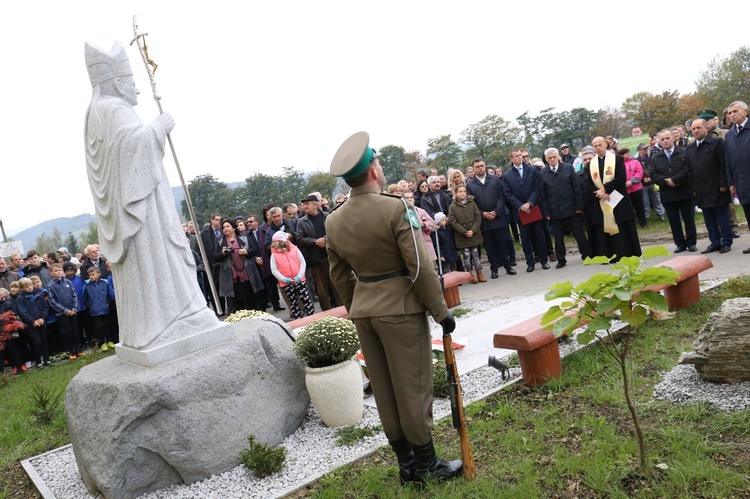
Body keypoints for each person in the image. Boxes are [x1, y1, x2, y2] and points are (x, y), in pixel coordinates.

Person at [326, 131, 462, 485]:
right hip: (400, 308)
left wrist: (358, 304)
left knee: (385, 389)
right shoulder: (395, 207)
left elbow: (339, 277)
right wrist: (439, 310)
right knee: (413, 386)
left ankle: (406, 464)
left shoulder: (334, 220)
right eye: (379, 161)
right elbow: (418, 265)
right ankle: (427, 465)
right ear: (373, 169)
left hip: (364, 310)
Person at [84, 41, 221, 352]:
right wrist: (160, 126)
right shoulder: (115, 109)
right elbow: (132, 148)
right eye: (132, 82)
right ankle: (175, 318)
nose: (137, 90)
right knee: (158, 260)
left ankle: (156, 324)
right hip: (144, 215)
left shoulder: (95, 111)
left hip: (133, 208)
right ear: (117, 82)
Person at [583, 137, 641, 260]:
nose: (598, 148)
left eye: (600, 145)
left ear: (606, 144)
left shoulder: (617, 160)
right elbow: (588, 182)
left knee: (621, 226)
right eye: (595, 146)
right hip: (601, 199)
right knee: (603, 227)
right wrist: (600, 193)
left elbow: (621, 178)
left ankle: (625, 253)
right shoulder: (591, 164)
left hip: (617, 198)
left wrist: (605, 189)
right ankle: (609, 255)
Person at [685, 119, 732, 253]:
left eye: (699, 128)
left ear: (706, 128)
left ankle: (727, 241)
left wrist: (724, 183)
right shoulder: (690, 147)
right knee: (709, 219)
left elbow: (723, 164)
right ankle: (715, 242)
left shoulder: (716, 143)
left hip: (717, 187)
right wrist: (693, 188)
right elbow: (689, 170)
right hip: (701, 190)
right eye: (693, 129)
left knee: (722, 217)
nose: (696, 131)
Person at [539, 148, 590, 268]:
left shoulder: (568, 168)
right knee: (558, 237)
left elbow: (576, 188)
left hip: (572, 208)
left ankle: (586, 255)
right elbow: (543, 194)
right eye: (549, 158)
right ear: (546, 159)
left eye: (554, 157)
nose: (552, 160)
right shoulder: (542, 173)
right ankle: (561, 259)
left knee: (579, 234)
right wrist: (546, 212)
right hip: (554, 211)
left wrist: (579, 207)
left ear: (558, 157)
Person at [466, 158, 516, 278]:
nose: (480, 168)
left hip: (497, 217)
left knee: (502, 243)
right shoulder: (470, 184)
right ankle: (494, 268)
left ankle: (507, 266)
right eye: (477, 166)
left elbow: (501, 196)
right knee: (489, 246)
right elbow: (471, 204)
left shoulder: (494, 179)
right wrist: (482, 213)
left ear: (485, 166)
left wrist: (496, 211)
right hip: (483, 220)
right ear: (473, 169)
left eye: (482, 165)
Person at [648, 129, 697, 253]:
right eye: (662, 139)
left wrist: (675, 180)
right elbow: (653, 174)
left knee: (689, 219)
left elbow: (688, 169)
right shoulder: (655, 157)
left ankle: (691, 242)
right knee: (674, 220)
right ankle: (680, 243)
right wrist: (666, 181)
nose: (665, 141)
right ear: (658, 141)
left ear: (673, 138)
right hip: (667, 194)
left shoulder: (684, 152)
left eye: (667, 138)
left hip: (684, 191)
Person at [503, 149, 549, 272]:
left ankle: (544, 260)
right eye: (517, 156)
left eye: (521, 156)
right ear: (511, 159)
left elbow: (537, 187)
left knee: (540, 236)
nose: (520, 158)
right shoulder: (507, 175)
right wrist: (520, 206)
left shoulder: (532, 169)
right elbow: (507, 194)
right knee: (526, 238)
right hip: (520, 211)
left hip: (533, 208)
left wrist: (529, 203)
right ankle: (530, 262)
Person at [295, 194, 341, 311]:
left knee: (338, 286)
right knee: (322, 291)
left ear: (316, 205)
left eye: (307, 204)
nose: (304, 206)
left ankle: (344, 311)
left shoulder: (328, 216)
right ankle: (327, 315)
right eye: (303, 204)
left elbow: (336, 230)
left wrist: (325, 239)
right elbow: (299, 238)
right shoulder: (301, 222)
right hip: (315, 260)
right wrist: (315, 241)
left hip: (332, 257)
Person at [215, 217, 265, 314]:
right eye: (223, 227)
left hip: (247, 273)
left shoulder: (244, 238)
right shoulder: (220, 241)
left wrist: (246, 251)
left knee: (251, 299)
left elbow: (254, 250)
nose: (225, 229)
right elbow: (215, 257)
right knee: (236, 302)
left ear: (234, 228)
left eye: (227, 226)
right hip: (230, 275)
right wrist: (223, 253)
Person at [269, 232, 314, 319]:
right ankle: (298, 319)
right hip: (287, 283)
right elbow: (274, 270)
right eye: (273, 242)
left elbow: (302, 263)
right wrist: (284, 279)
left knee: (306, 299)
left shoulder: (295, 249)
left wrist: (299, 276)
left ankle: (311, 317)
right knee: (293, 302)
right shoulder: (274, 255)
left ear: (282, 241)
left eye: (275, 241)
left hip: (299, 280)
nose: (273, 244)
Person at [724, 101, 750, 253]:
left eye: (735, 111)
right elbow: (728, 160)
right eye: (730, 112)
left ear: (745, 111)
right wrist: (731, 181)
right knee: (748, 211)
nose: (732, 114)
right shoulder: (729, 135)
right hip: (741, 181)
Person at [448, 184, 485, 282]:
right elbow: (453, 222)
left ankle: (479, 273)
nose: (462, 193)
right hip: (463, 236)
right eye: (460, 192)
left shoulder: (471, 203)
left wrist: (473, 230)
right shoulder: (452, 206)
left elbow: (478, 216)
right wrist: (465, 232)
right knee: (467, 256)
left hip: (474, 233)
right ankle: (470, 275)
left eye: (464, 191)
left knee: (476, 254)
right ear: (455, 193)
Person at [15, 277, 50, 368]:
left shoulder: (39, 294)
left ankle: (46, 359)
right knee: (36, 342)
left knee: (44, 341)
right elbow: (22, 312)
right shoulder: (20, 299)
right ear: (22, 288)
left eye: (30, 285)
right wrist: (32, 321)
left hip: (41, 321)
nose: (30, 287)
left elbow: (45, 306)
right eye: (27, 286)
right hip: (30, 324)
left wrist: (42, 318)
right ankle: (38, 361)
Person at [47, 263, 81, 359]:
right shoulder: (50, 286)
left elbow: (74, 295)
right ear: (51, 273)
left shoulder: (68, 282)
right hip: (62, 313)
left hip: (73, 311)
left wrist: (74, 308)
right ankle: (71, 352)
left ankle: (78, 350)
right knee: (67, 332)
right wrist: (65, 311)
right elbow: (52, 301)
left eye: (60, 270)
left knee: (75, 331)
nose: (58, 272)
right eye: (56, 271)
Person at [83, 266, 115, 346]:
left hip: (105, 309)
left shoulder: (104, 282)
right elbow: (84, 297)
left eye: (93, 274)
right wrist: (90, 305)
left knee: (107, 325)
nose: (91, 276)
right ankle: (102, 342)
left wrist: (107, 303)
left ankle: (109, 341)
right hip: (95, 310)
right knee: (99, 327)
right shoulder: (87, 284)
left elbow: (108, 295)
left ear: (99, 274)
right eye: (89, 275)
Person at [620, 148, 647, 228]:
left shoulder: (635, 162)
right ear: (622, 155)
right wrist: (623, 183)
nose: (629, 154)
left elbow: (640, 172)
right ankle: (631, 225)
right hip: (625, 190)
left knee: (639, 206)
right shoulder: (618, 164)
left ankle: (643, 223)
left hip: (636, 188)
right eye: (626, 153)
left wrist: (631, 181)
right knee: (628, 208)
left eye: (629, 152)